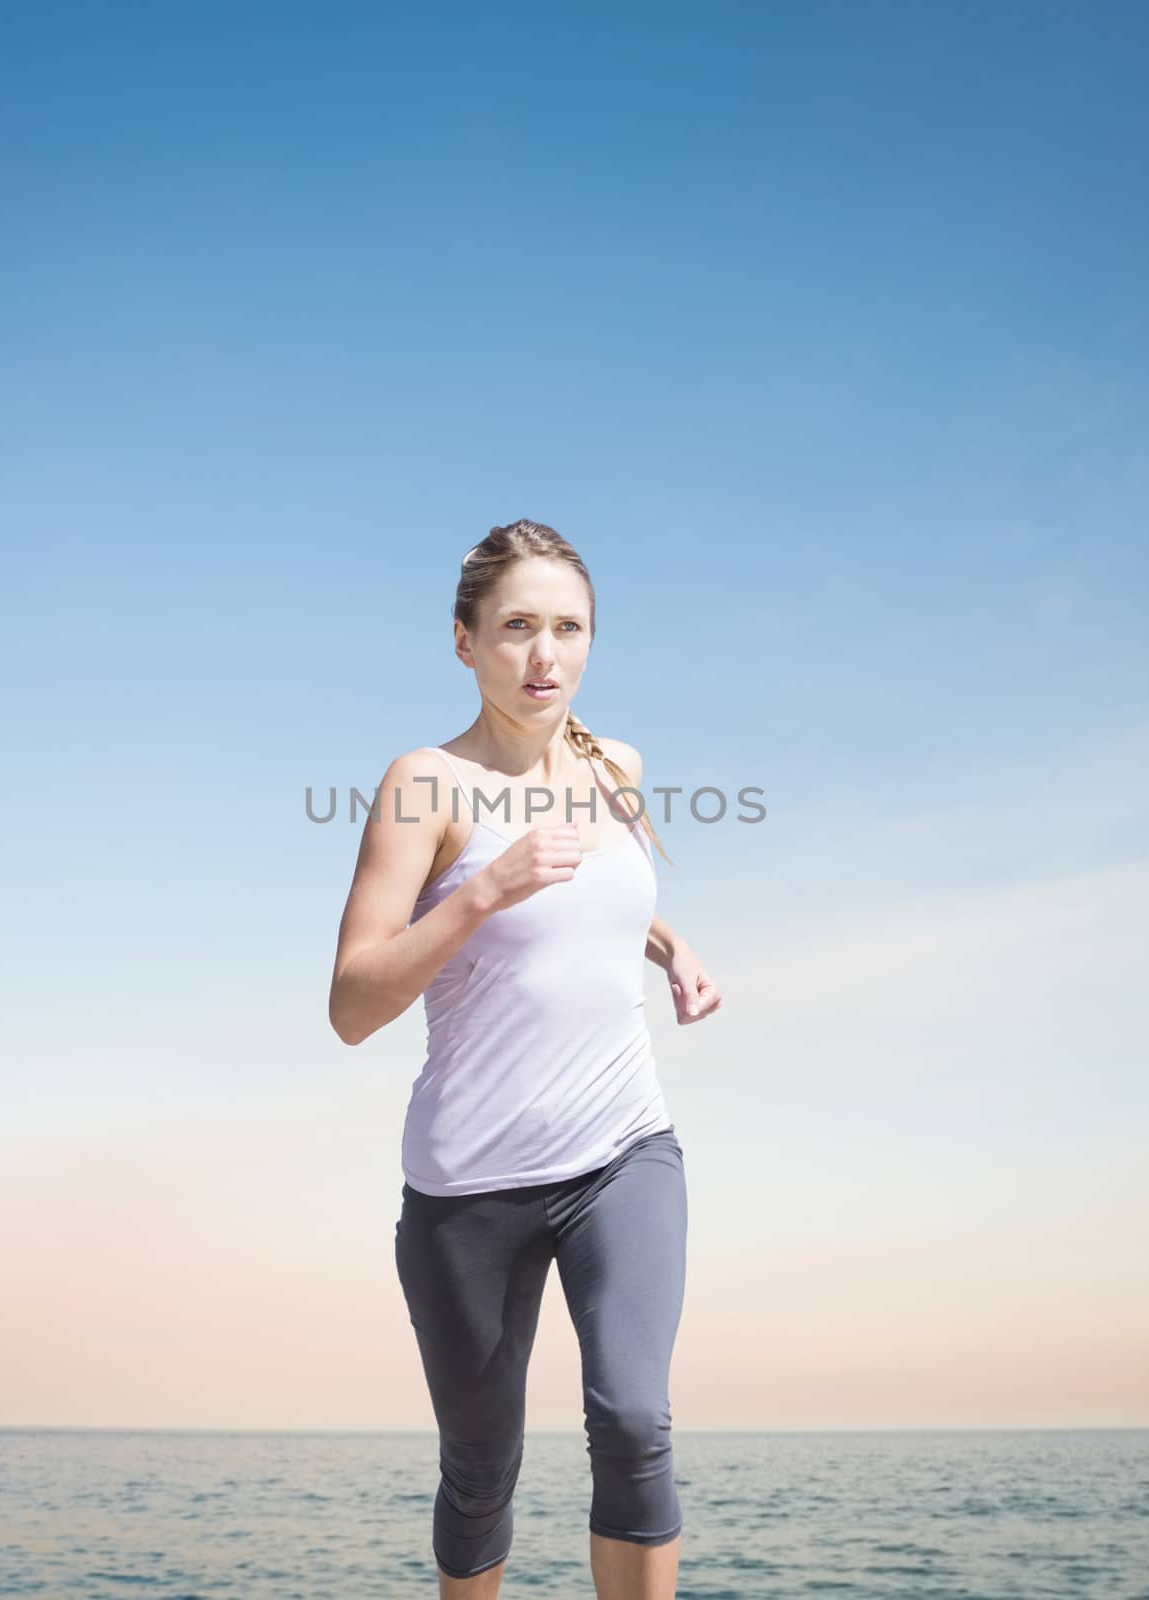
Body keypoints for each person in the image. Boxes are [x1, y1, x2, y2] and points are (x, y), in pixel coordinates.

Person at [329, 519, 722, 1599]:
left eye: (567, 627)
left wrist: (671, 942)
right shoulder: (424, 784)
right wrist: (486, 889)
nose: (544, 656)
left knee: (634, 1420)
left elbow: (595, 903)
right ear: (464, 642)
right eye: (514, 628)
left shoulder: (614, 764)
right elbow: (353, 1003)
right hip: (469, 1187)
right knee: (478, 1471)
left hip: (620, 1150)